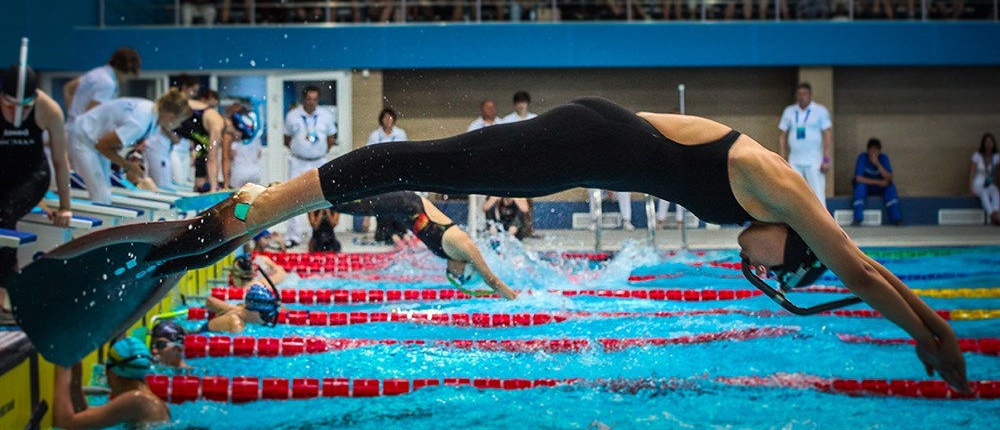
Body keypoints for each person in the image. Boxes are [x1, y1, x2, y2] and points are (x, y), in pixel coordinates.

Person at [186, 97, 968, 392]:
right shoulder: (783, 190)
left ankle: (268, 201)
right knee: (417, 161)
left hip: (587, 146)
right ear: (794, 249)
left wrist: (935, 328)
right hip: (583, 142)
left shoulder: (766, 206)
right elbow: (862, 270)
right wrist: (935, 337)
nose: (749, 264)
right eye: (769, 270)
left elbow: (866, 271)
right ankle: (264, 205)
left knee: (424, 164)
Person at [333, 192, 516, 298]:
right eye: (457, 277)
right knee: (353, 204)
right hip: (408, 203)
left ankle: (324, 199)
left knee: (348, 206)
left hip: (402, 213)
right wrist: (514, 299)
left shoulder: (448, 255)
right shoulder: (463, 245)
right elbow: (492, 280)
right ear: (465, 270)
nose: (452, 275)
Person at [0, 65, 72, 325]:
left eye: (25, 107)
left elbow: (61, 161)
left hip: (33, 175)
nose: (17, 113)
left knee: (5, 214)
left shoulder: (49, 109)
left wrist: (65, 206)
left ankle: (6, 291)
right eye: (9, 106)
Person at [67, 91, 190, 204]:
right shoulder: (140, 123)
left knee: (105, 191)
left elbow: (108, 142)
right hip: (83, 137)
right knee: (100, 194)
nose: (178, 125)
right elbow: (102, 145)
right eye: (180, 121)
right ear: (172, 116)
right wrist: (128, 166)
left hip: (92, 137)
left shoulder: (151, 112)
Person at [53, 337, 170, 429]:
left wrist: (64, 366)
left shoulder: (136, 399)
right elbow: (84, 417)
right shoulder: (145, 399)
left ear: (113, 373)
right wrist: (76, 379)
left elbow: (65, 422)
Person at [283, 85, 337, 247]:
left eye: (315, 99)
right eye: (309, 99)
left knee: (324, 195)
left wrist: (320, 151)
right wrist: (302, 149)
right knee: (292, 197)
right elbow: (286, 139)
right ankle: (293, 236)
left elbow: (331, 138)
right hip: (298, 161)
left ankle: (323, 232)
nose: (312, 103)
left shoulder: (326, 116)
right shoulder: (292, 116)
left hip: (319, 160)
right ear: (303, 99)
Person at [778, 83, 832, 204]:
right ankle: (793, 222)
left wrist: (826, 159)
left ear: (810, 95)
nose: (802, 97)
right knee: (793, 193)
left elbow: (827, 135)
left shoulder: (820, 111)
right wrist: (782, 158)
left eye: (804, 94)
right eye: (799, 94)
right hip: (794, 161)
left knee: (818, 195)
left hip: (815, 161)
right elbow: (782, 136)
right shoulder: (789, 111)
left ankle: (821, 222)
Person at [63, 47, 141, 126]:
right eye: (128, 77)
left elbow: (68, 88)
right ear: (128, 69)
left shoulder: (97, 72)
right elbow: (91, 116)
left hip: (72, 127)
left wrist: (73, 114)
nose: (125, 80)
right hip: (82, 134)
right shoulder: (108, 84)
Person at [174, 90, 228, 193]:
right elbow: (213, 157)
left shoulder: (205, 125)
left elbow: (206, 156)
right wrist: (213, 188)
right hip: (169, 121)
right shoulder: (217, 125)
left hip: (171, 126)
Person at [852, 138, 902, 226]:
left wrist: (877, 164)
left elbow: (889, 178)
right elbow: (858, 178)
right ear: (868, 150)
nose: (874, 152)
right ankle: (858, 219)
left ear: (879, 151)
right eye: (872, 149)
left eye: (876, 150)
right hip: (867, 187)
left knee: (891, 188)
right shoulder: (862, 158)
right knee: (860, 188)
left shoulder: (883, 158)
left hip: (880, 188)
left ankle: (896, 219)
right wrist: (878, 182)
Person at [204, 283, 280, 333]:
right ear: (253, 311)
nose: (267, 321)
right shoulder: (236, 324)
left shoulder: (240, 308)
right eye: (265, 316)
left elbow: (209, 301)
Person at [223, 106, 262, 190]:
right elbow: (259, 154)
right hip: (255, 171)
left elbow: (229, 157)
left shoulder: (234, 140)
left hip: (239, 172)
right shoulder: (256, 138)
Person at [970, 133, 999, 225]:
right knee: (983, 192)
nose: (989, 144)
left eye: (991, 141)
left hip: (988, 182)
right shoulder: (977, 156)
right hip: (977, 184)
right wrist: (970, 189)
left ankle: (996, 212)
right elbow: (971, 173)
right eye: (987, 141)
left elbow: (997, 173)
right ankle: (991, 215)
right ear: (983, 143)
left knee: (995, 191)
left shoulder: (996, 157)